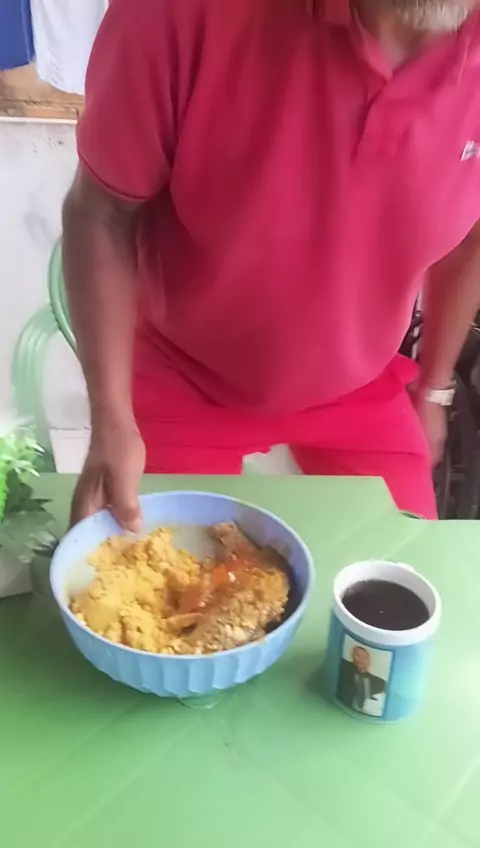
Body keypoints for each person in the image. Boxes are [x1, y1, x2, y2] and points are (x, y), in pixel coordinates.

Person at [63, 0, 480, 530]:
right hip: (182, 368)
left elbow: (470, 242)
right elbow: (102, 212)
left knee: (410, 565)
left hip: (361, 382)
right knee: (148, 567)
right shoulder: (179, 12)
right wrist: (111, 419)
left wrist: (434, 389)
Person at [336, 645, 387, 715]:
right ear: (352, 656)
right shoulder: (344, 667)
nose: (361, 660)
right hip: (342, 711)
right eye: (358, 656)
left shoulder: (380, 682)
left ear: (369, 661)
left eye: (365, 658)